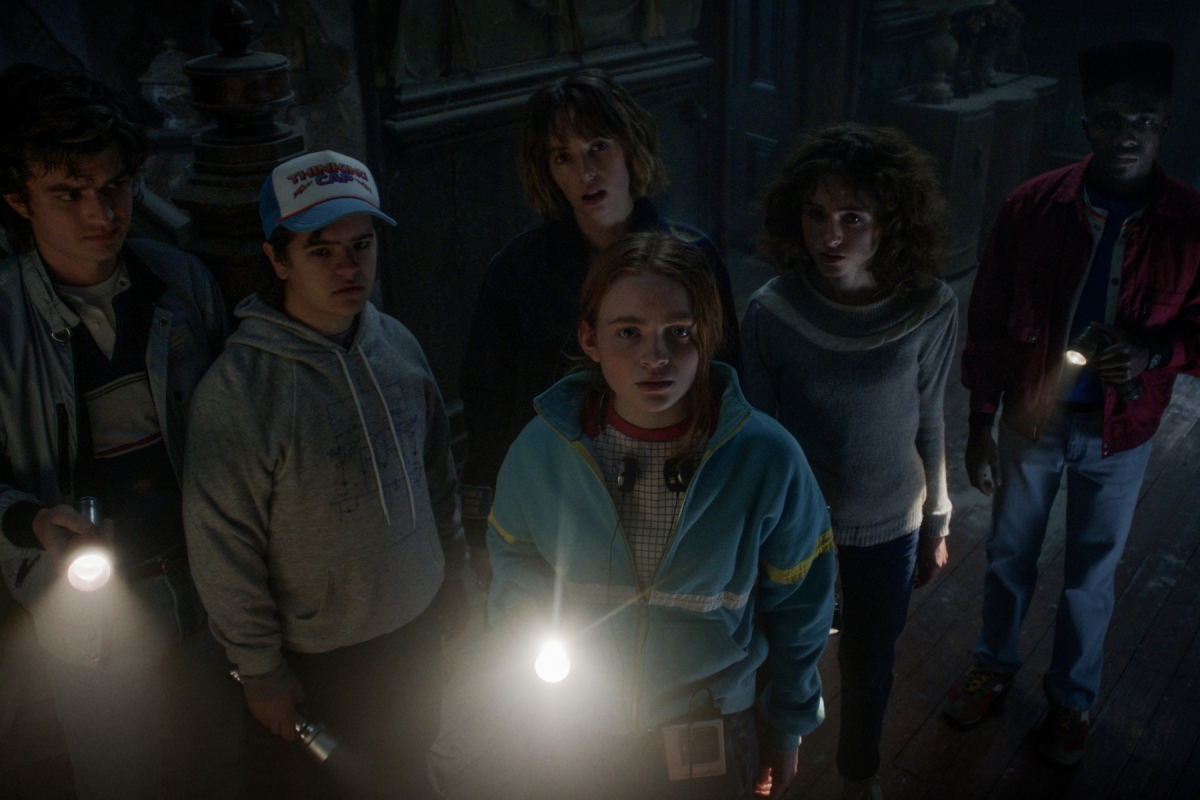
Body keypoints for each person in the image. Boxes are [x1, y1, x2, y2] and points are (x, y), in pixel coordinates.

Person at [486, 231, 835, 800]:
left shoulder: (767, 459)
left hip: (710, 722)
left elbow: (802, 605)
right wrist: (525, 649)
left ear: (707, 337)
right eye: (629, 332)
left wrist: (788, 726)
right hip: (575, 724)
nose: (656, 357)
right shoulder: (543, 451)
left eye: (680, 332)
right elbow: (513, 558)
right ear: (590, 339)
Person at [942, 40, 1200, 766]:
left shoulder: (1190, 224)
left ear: (1166, 125)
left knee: (1091, 574)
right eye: (1111, 119)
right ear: (1085, 124)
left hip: (1122, 431)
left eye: (1144, 120)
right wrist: (980, 422)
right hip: (1033, 418)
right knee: (1008, 554)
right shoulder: (1034, 206)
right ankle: (994, 666)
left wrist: (1153, 354)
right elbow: (989, 318)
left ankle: (1071, 700)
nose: (1127, 135)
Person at [182, 150, 466, 798]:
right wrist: (260, 669)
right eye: (321, 250)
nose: (348, 267)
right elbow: (223, 546)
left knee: (409, 767)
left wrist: (452, 575)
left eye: (361, 245)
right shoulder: (241, 391)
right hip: (321, 655)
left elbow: (437, 472)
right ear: (277, 259)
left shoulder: (396, 345)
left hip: (415, 624)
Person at [0, 65, 243, 799]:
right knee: (115, 777)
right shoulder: (6, 323)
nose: (101, 213)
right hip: (89, 610)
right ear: (18, 199)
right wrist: (27, 518)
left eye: (116, 186)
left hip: (201, 582)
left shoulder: (182, 285)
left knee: (218, 765)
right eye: (68, 194)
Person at [460, 68, 741, 592]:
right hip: (559, 503)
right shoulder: (517, 272)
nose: (586, 172)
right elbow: (488, 406)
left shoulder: (693, 259)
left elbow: (727, 387)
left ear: (630, 148)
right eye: (562, 157)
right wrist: (481, 531)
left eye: (598, 148)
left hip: (672, 496)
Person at [741, 124, 957, 800]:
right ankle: (774, 763)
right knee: (781, 654)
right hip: (796, 528)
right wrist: (759, 534)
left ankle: (859, 774)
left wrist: (938, 516)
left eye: (852, 217)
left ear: (891, 221)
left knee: (869, 663)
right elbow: (756, 438)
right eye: (815, 214)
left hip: (889, 522)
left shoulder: (929, 306)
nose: (828, 236)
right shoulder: (773, 311)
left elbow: (930, 417)